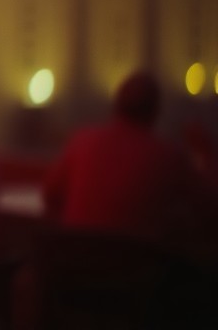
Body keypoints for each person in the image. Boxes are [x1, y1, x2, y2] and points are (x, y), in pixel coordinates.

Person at [42, 70, 218, 247]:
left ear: (116, 104)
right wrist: (208, 152)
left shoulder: (82, 141)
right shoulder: (169, 156)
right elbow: (210, 206)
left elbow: (51, 196)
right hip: (137, 262)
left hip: (75, 257)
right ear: (156, 110)